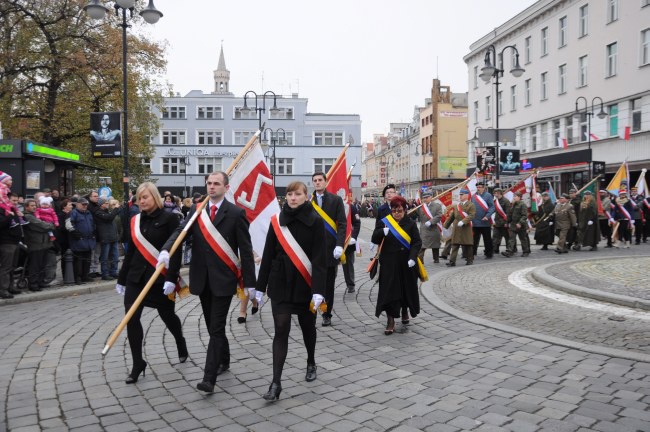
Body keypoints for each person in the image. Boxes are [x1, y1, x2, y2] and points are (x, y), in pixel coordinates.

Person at [161, 171, 256, 393]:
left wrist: (250, 283)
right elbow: (180, 232)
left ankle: (209, 378)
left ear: (226, 187)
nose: (211, 187)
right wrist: (167, 249)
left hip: (224, 278)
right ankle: (224, 359)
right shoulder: (197, 210)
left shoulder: (235, 213)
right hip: (202, 278)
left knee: (216, 327)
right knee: (213, 326)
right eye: (209, 183)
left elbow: (246, 250)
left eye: (216, 184)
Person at [256, 181, 327, 401]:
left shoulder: (315, 221)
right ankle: (276, 382)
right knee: (281, 328)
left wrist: (318, 290)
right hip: (280, 281)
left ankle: (311, 361)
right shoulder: (277, 221)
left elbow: (319, 259)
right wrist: (260, 287)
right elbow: (267, 254)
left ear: (306, 196)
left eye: (297, 194)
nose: (293, 197)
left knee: (307, 328)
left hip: (305, 284)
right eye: (289, 194)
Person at [114, 182, 187, 384]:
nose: (142, 201)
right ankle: (138, 363)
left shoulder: (170, 218)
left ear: (155, 197)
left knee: (167, 315)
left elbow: (176, 250)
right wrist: (122, 278)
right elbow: (131, 252)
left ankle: (180, 341)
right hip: (136, 278)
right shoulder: (135, 220)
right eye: (139, 197)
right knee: (131, 318)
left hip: (159, 278)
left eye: (145, 197)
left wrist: (172, 278)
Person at [371, 195, 421, 335]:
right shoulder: (385, 223)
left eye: (399, 210)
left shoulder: (410, 224)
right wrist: (382, 231)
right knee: (389, 291)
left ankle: (405, 310)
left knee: (405, 290)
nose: (397, 213)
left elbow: (417, 242)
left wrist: (412, 257)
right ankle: (390, 320)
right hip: (389, 263)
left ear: (404, 210)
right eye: (394, 211)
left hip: (406, 263)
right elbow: (374, 238)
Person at [311, 171, 347, 327]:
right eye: (315, 180)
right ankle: (312, 309)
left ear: (325, 182)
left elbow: (342, 224)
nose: (318, 182)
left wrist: (340, 244)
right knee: (313, 281)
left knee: (328, 284)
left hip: (331, 248)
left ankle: (327, 313)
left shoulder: (336, 200)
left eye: (320, 180)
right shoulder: (308, 201)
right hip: (313, 249)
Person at [23, 199, 55, 291]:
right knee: (35, 265)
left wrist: (47, 226)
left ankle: (40, 282)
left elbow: (44, 225)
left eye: (35, 205)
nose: (34, 207)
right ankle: (33, 284)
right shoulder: (28, 216)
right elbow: (42, 226)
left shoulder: (36, 215)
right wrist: (50, 225)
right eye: (32, 205)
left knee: (42, 264)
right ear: (26, 207)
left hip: (44, 243)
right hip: (35, 244)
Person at [66, 197, 96, 283]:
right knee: (78, 260)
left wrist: (94, 231)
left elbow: (93, 223)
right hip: (78, 240)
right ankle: (78, 277)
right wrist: (75, 234)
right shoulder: (73, 213)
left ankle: (85, 276)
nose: (85, 206)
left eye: (86, 204)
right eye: (83, 204)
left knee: (87, 260)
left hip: (89, 240)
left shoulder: (88, 213)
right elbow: (68, 225)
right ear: (78, 204)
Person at [443, 189, 476, 266]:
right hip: (457, 227)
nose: (460, 196)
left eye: (462, 195)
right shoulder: (456, 206)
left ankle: (470, 260)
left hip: (466, 227)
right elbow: (452, 217)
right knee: (455, 244)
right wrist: (445, 226)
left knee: (468, 244)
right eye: (460, 195)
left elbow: (472, 215)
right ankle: (452, 261)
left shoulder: (471, 205)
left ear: (466, 196)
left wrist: (464, 221)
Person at [95, 197, 120, 280]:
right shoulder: (98, 213)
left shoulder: (109, 211)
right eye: (106, 203)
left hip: (113, 237)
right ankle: (105, 273)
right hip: (105, 238)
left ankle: (113, 272)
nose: (107, 204)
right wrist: (115, 209)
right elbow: (109, 218)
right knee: (105, 257)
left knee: (115, 256)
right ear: (101, 205)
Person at [501, 192, 531, 257]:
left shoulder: (522, 204)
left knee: (523, 239)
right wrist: (507, 222)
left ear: (519, 197)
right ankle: (509, 251)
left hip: (521, 225)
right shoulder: (514, 204)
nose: (514, 197)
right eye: (514, 196)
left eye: (516, 196)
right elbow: (510, 215)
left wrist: (520, 223)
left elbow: (524, 216)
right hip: (513, 225)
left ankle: (526, 251)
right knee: (511, 239)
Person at [417, 191, 443, 263]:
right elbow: (415, 215)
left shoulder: (437, 206)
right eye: (424, 198)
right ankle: (420, 260)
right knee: (422, 246)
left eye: (426, 197)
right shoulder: (421, 207)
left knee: (435, 245)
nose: (425, 199)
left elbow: (439, 216)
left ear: (431, 197)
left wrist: (431, 221)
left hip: (434, 229)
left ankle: (436, 259)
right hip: (424, 229)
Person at [471, 182, 495, 259]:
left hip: (485, 222)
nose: (478, 188)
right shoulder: (474, 196)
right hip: (475, 221)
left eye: (480, 187)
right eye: (477, 187)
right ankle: (472, 253)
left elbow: (492, 207)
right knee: (474, 239)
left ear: (484, 188)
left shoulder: (488, 195)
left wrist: (487, 216)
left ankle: (489, 253)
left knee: (487, 239)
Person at [341, 202, 361, 293]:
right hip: (333, 239)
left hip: (348, 240)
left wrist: (353, 237)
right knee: (331, 265)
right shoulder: (331, 204)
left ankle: (350, 284)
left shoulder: (351, 207)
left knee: (348, 264)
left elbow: (357, 223)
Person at [491, 188, 511, 254]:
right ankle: (495, 249)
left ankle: (510, 249)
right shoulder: (495, 201)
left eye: (496, 193)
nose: (495, 194)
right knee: (495, 236)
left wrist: (506, 222)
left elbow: (508, 212)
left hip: (504, 222)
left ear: (500, 193)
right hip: (497, 222)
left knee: (507, 237)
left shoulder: (506, 201)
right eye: (494, 193)